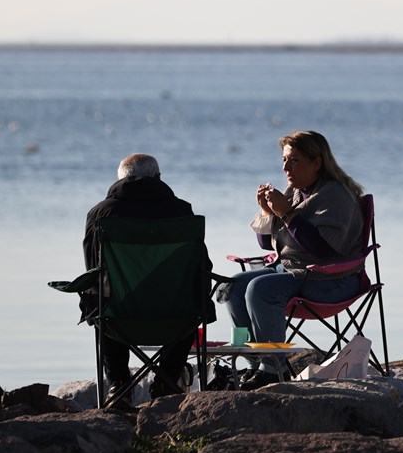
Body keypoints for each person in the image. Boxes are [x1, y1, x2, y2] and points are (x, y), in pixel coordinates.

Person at [226, 131, 365, 389]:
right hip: (297, 271)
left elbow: (323, 249)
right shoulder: (297, 192)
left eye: (294, 160)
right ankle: (253, 364)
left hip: (332, 279)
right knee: (233, 286)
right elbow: (270, 244)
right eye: (284, 160)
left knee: (260, 289)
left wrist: (287, 212)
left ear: (317, 162)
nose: (286, 168)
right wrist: (269, 212)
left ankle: (272, 369)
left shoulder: (334, 195)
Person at [82, 153, 214, 408]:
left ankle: (119, 385)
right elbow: (202, 265)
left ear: (120, 179)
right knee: (196, 299)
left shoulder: (100, 213)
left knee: (97, 299)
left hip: (120, 318)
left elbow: (92, 267)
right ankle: (167, 378)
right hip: (177, 316)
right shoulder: (181, 210)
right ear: (159, 178)